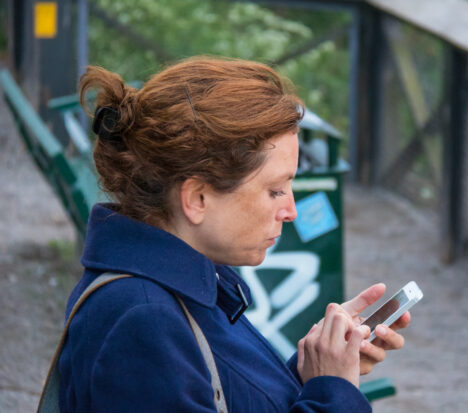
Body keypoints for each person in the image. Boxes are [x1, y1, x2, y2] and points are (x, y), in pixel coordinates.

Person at [58, 57, 411, 412]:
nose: (291, 210)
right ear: (197, 198)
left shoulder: (177, 288)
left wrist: (315, 372)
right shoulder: (144, 321)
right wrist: (334, 393)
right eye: (275, 190)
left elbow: (221, 392)